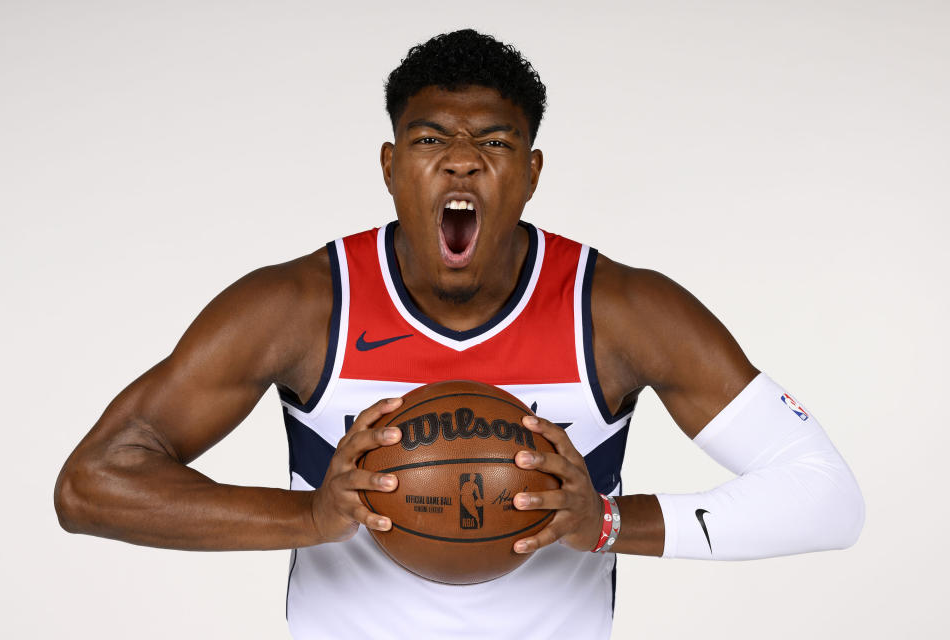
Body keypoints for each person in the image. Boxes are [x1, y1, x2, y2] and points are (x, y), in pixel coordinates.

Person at [54, 29, 864, 639]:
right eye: (431, 139)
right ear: (390, 164)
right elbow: (91, 484)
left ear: (533, 173)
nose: (462, 163)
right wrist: (307, 518)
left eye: (494, 143)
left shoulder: (618, 311)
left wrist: (608, 522)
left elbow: (827, 498)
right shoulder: (302, 306)